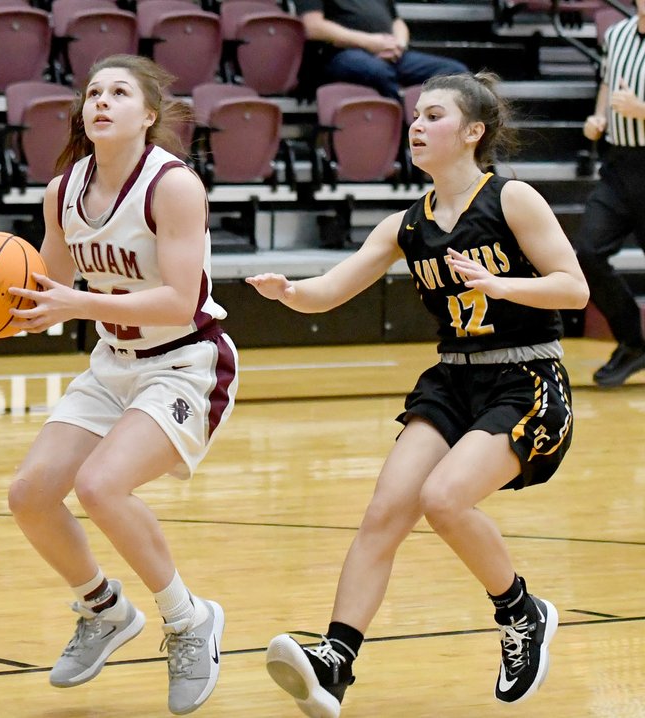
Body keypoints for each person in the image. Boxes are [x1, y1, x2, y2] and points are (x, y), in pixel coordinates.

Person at [247, 72, 589, 718]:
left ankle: (521, 614)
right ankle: (336, 660)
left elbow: (573, 289)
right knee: (385, 511)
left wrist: (501, 285)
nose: (417, 126)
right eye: (416, 116)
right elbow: (332, 289)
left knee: (443, 499)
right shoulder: (409, 223)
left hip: (527, 378)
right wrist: (290, 292)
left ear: (472, 132)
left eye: (434, 115)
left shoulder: (513, 200)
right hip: (453, 379)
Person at [4, 55, 238, 716]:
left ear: (148, 114)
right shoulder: (63, 190)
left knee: (102, 485)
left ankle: (189, 619)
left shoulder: (174, 186)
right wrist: (3, 308)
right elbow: (45, 288)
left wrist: (74, 304)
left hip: (186, 360)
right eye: (94, 92)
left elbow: (176, 301)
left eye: (119, 92)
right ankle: (105, 610)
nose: (102, 101)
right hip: (112, 363)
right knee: (30, 495)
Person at [573, 0, 645, 387]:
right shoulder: (617, 34)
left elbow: (633, 105)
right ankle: (633, 343)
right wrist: (599, 116)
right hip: (619, 166)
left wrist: (641, 111)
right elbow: (607, 82)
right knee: (587, 252)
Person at [294, 0, 469, 102]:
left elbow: (397, 22)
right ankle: (402, 137)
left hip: (391, 53)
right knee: (376, 71)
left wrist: (398, 44)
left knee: (455, 73)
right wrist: (369, 43)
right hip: (338, 53)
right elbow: (312, 26)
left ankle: (446, 143)